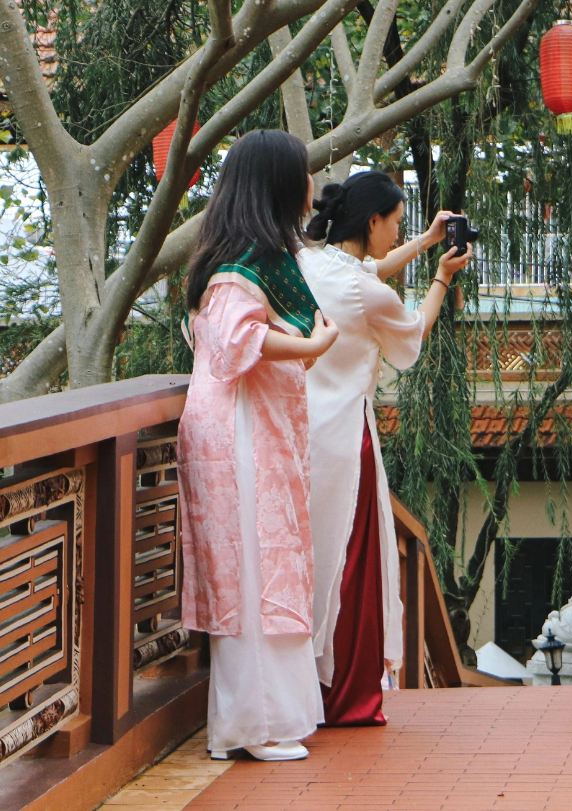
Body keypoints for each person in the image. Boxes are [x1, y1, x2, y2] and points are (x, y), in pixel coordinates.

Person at [178, 130, 339, 761]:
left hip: (256, 430)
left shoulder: (253, 255)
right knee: (253, 572)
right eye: (302, 174)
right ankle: (253, 725)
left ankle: (252, 723)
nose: (310, 187)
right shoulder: (239, 266)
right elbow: (233, 343)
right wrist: (312, 347)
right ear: (277, 183)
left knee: (262, 567)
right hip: (239, 434)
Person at [298, 171, 469, 725]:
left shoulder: (309, 263)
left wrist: (422, 241)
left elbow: (366, 272)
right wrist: (441, 277)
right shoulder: (367, 291)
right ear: (372, 222)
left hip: (302, 435)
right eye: (394, 226)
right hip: (348, 439)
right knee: (352, 566)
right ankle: (347, 695)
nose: (396, 236)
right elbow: (412, 332)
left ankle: (307, 688)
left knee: (314, 562)